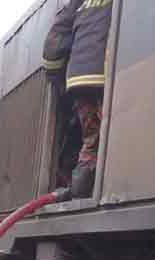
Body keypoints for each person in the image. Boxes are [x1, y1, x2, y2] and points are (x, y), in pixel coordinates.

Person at [42, 0, 113, 198]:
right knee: (100, 139)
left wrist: (58, 81)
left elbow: (53, 48)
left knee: (92, 140)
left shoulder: (77, 4)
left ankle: (79, 189)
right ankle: (80, 191)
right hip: (108, 73)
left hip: (80, 79)